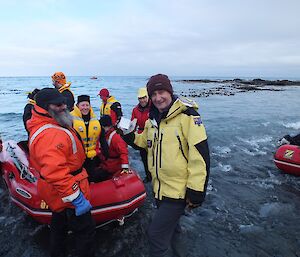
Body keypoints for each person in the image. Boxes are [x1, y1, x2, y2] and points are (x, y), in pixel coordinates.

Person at [120, 74, 210, 257]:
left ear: (170, 92)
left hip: (178, 190)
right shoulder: (152, 120)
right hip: (160, 188)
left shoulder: (188, 116)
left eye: (161, 92)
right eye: (153, 94)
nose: (157, 98)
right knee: (172, 229)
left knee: (155, 234)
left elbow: (200, 156)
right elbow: (144, 142)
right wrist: (128, 135)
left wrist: (197, 190)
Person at [27, 88, 95, 257]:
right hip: (68, 190)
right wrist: (77, 198)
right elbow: (55, 172)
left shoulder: (51, 123)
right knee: (85, 233)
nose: (64, 106)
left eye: (64, 102)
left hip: (58, 191)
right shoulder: (50, 134)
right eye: (58, 104)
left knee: (58, 227)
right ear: (44, 107)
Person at [71, 95, 108, 182]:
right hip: (77, 157)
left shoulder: (95, 120)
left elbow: (101, 136)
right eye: (83, 105)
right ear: (77, 106)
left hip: (91, 156)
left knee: (91, 176)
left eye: (87, 105)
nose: (85, 108)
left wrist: (106, 151)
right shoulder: (70, 119)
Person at [131, 87, 152, 183]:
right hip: (141, 135)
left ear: (147, 97)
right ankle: (148, 176)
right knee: (144, 158)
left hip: (152, 134)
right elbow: (133, 124)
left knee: (155, 157)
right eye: (140, 98)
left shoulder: (154, 107)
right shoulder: (135, 110)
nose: (142, 100)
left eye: (144, 97)